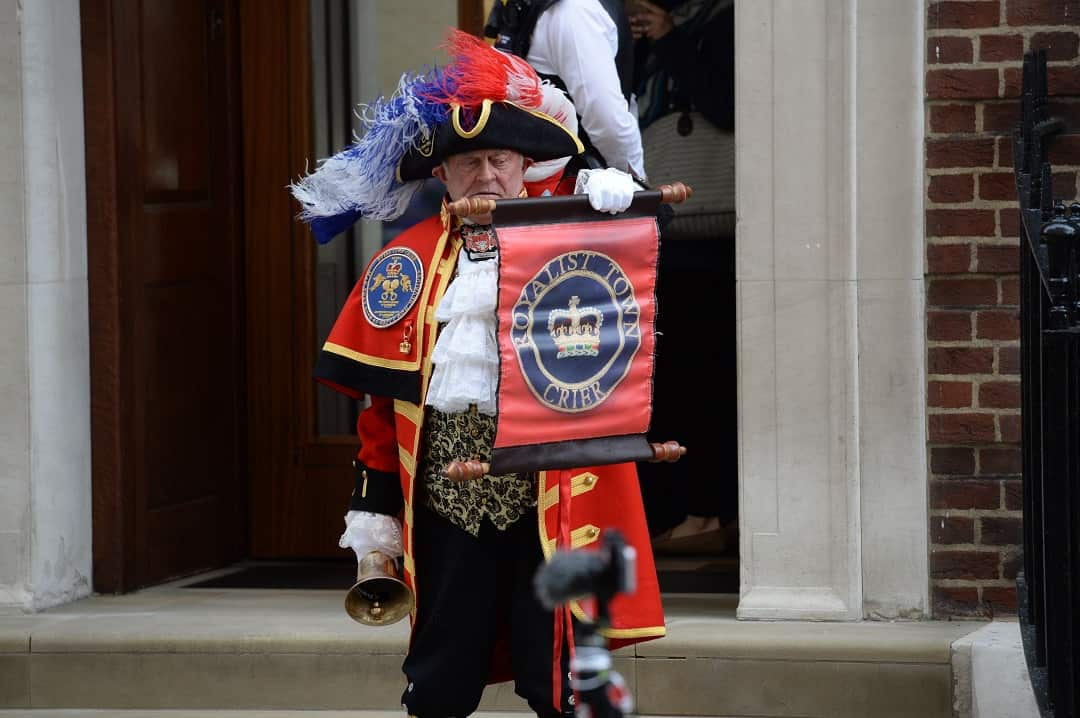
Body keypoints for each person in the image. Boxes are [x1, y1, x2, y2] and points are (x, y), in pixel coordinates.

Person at [290, 30, 664, 718]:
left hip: (549, 500)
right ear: (443, 174)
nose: (486, 177)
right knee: (439, 681)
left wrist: (613, 203)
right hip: (443, 510)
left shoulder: (572, 245)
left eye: (499, 160)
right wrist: (374, 519)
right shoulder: (404, 262)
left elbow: (627, 324)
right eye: (468, 163)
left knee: (563, 679)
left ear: (527, 166)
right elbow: (382, 409)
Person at [628, 0, 738, 553]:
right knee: (670, 379)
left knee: (705, 378)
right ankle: (681, 511)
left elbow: (725, 104)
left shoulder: (724, 22)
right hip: (666, 235)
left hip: (711, 237)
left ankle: (709, 511)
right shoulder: (647, 34)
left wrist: (671, 38)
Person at [485, 0, 644, 180]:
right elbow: (608, 123)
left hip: (549, 177)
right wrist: (637, 186)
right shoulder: (574, 12)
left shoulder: (567, 10)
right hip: (569, 186)